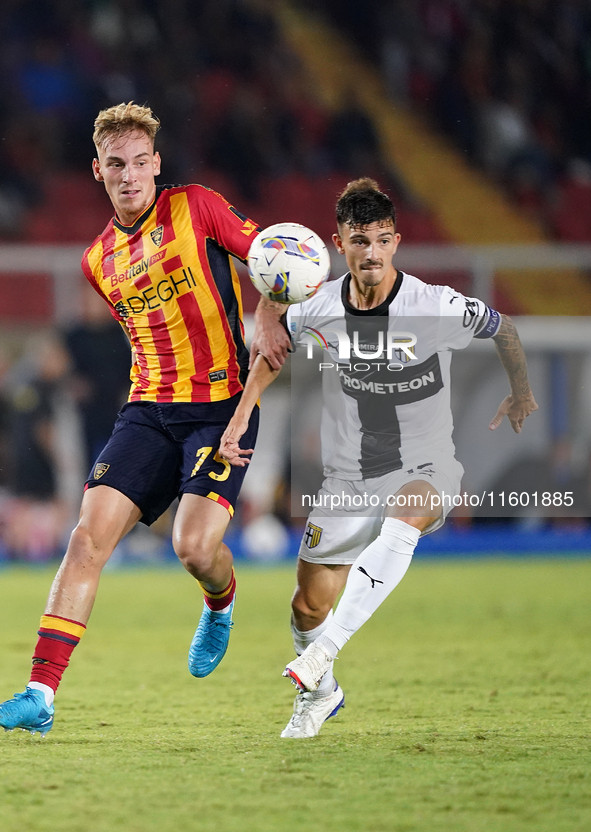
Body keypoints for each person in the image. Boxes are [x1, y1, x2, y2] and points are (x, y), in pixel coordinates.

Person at [0, 102, 289, 737]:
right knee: (86, 538)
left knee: (193, 547)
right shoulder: (97, 262)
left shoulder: (199, 207)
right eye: (115, 166)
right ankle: (40, 695)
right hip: (149, 411)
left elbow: (280, 256)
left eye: (139, 163)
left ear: (156, 165)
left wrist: (267, 310)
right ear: (97, 172)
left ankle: (221, 601)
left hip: (221, 410)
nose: (129, 176)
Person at [218, 178, 538, 739]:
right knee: (306, 608)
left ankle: (324, 657)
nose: (373, 253)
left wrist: (522, 390)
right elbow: (273, 350)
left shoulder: (433, 305)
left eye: (384, 240)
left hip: (426, 467)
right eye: (360, 241)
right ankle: (321, 694)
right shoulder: (317, 303)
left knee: (405, 512)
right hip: (347, 479)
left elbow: (502, 327)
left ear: (397, 242)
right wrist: (243, 412)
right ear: (338, 243)